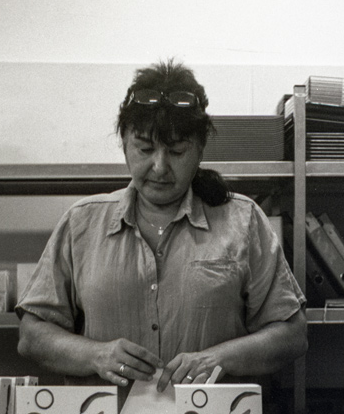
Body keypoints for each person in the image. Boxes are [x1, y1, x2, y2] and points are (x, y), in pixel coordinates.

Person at [16, 59, 307, 394]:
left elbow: (293, 334)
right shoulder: (81, 223)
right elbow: (32, 335)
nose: (159, 167)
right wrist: (95, 355)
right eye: (145, 149)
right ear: (123, 142)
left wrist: (218, 359)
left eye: (177, 151)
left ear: (200, 149)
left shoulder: (243, 221)